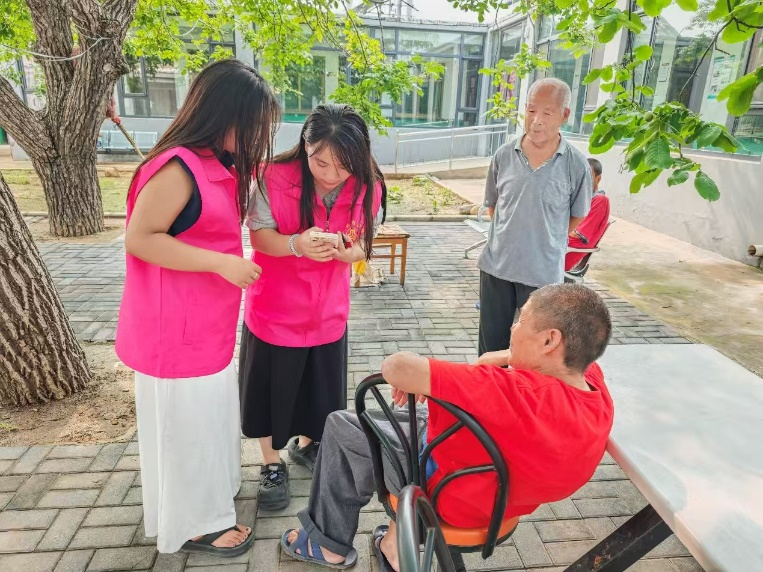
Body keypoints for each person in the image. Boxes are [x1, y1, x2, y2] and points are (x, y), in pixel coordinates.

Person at [278, 283, 614, 570]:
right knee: (411, 420)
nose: (514, 327)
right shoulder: (594, 390)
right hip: (504, 497)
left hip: (444, 494)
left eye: (522, 319)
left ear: (549, 341)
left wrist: (431, 379)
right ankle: (394, 545)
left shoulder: (510, 391)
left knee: (342, 426)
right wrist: (507, 358)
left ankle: (327, 544)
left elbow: (397, 367)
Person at [115, 59, 280, 556]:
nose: (257, 136)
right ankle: (195, 524)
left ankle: (206, 503)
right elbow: (141, 238)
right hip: (176, 331)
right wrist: (221, 263)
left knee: (205, 421)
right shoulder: (176, 167)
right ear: (223, 114)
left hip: (204, 327)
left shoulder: (213, 164)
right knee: (187, 428)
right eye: (253, 124)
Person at [239, 104, 385, 511]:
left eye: (343, 166)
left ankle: (307, 444)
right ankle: (271, 462)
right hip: (276, 310)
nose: (331, 175)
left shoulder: (368, 185)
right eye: (321, 162)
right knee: (270, 392)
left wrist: (345, 252)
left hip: (327, 312)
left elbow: (364, 244)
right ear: (305, 145)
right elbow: (260, 236)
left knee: (319, 390)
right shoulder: (272, 176)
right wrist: (296, 244)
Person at [478, 78, 592, 356]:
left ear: (565, 115)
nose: (537, 120)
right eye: (531, 110)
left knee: (536, 352)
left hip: (542, 273)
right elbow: (494, 208)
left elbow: (576, 216)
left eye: (547, 113)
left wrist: (544, 236)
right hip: (497, 267)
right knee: (490, 348)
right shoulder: (504, 155)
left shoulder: (576, 165)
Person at [565, 158, 611, 271]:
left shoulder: (600, 200)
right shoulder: (581, 199)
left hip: (565, 252)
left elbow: (577, 234)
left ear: (598, 179)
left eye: (587, 176)